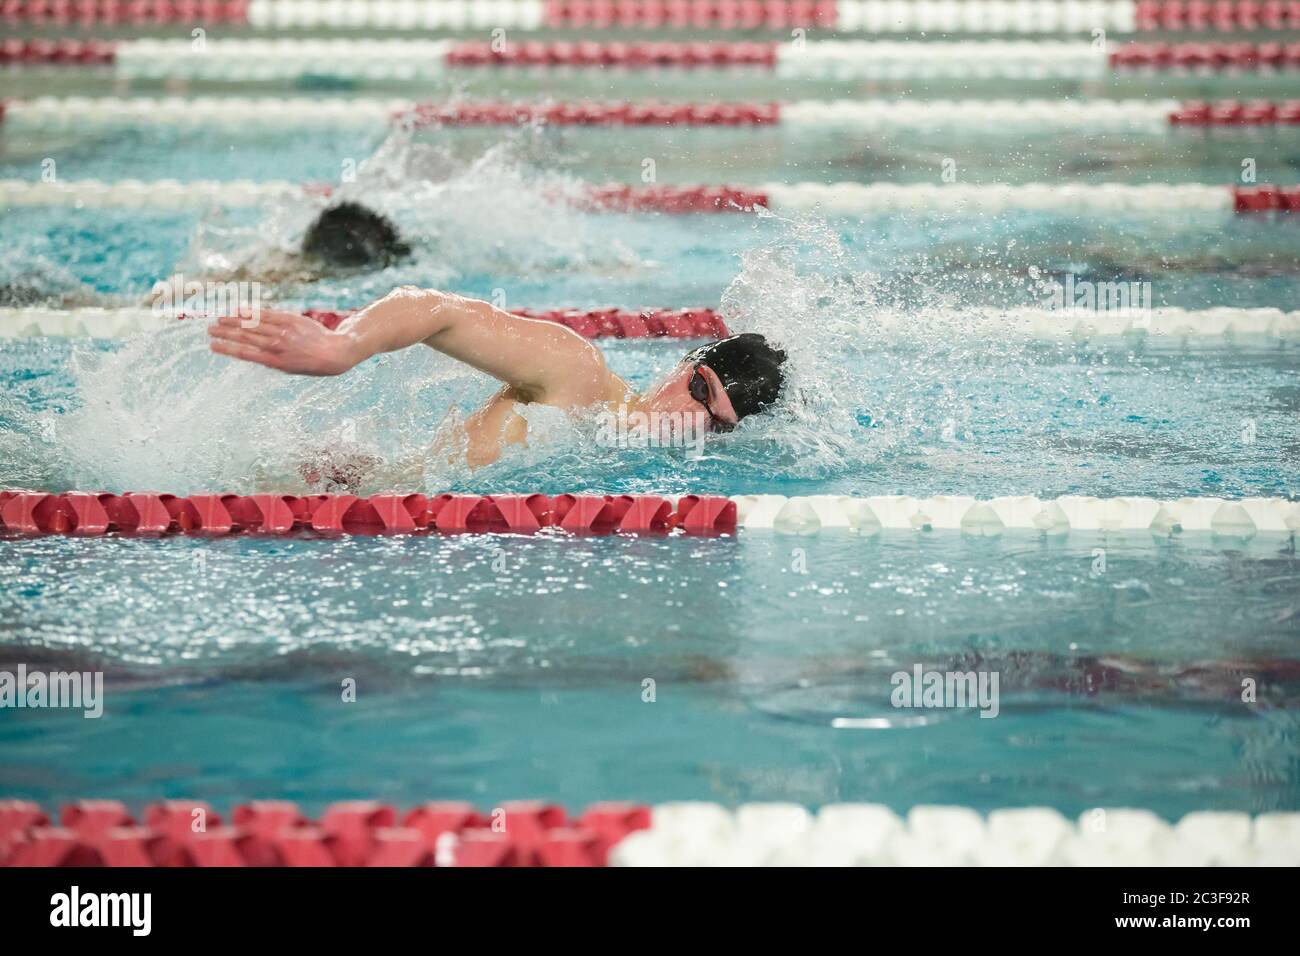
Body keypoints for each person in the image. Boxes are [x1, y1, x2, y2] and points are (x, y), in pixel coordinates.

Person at [208, 286, 787, 469]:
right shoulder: (579, 374)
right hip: (332, 505)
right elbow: (439, 310)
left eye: (715, 427)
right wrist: (342, 347)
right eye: (700, 392)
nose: (690, 422)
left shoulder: (631, 466)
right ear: (686, 367)